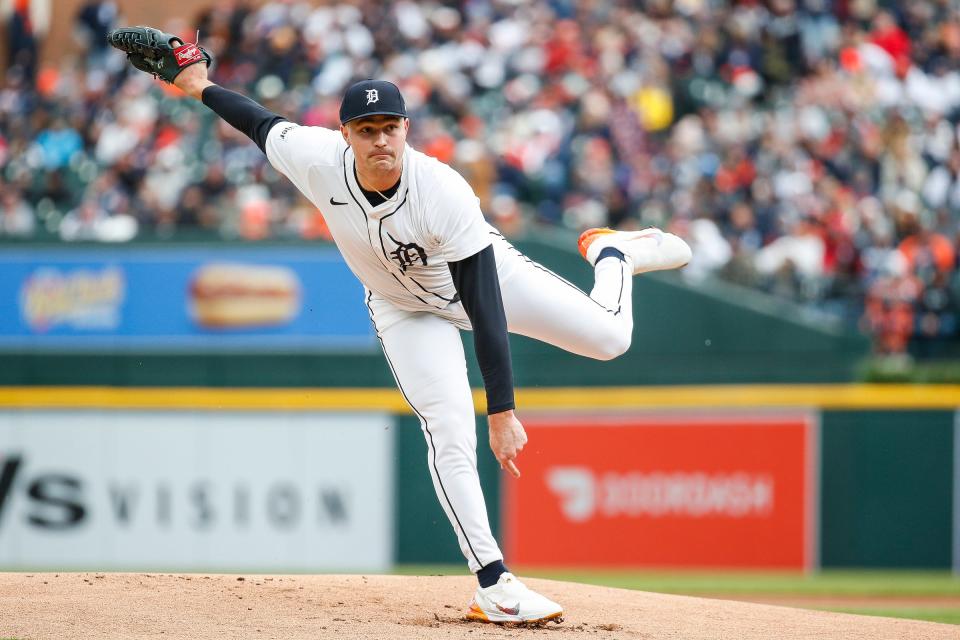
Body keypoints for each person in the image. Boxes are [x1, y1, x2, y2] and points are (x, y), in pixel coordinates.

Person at [119, 31, 691, 625]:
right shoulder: (317, 158)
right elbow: (258, 121)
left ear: (406, 129)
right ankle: (494, 584)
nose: (380, 139)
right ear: (346, 135)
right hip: (402, 308)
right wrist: (198, 85)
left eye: (390, 127)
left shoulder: (441, 190)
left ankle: (614, 254)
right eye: (367, 130)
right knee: (447, 429)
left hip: (480, 280)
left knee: (611, 340)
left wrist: (502, 409)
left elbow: (484, 304)